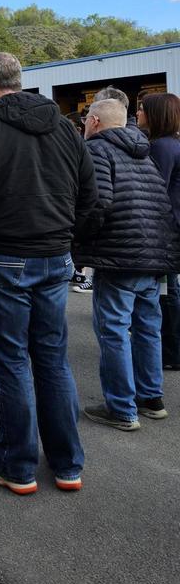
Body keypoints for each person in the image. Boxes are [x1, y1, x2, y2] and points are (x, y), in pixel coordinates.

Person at [0, 52, 98, 494]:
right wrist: (72, 244)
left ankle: (16, 463)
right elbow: (89, 195)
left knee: (11, 361)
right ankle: (68, 464)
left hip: (4, 257)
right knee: (52, 358)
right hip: (54, 257)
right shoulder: (66, 129)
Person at [75, 99, 180, 429]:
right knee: (148, 327)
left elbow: (99, 202)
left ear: (94, 121)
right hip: (155, 253)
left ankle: (121, 408)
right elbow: (161, 200)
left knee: (114, 330)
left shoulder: (98, 150)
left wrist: (80, 241)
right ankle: (151, 398)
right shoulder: (145, 152)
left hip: (120, 255)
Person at [137, 93, 180, 370]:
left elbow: (155, 189)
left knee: (168, 292)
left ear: (155, 115)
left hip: (167, 231)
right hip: (173, 228)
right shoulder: (173, 144)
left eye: (142, 109)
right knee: (170, 289)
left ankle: (170, 351)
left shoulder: (161, 148)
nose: (138, 113)